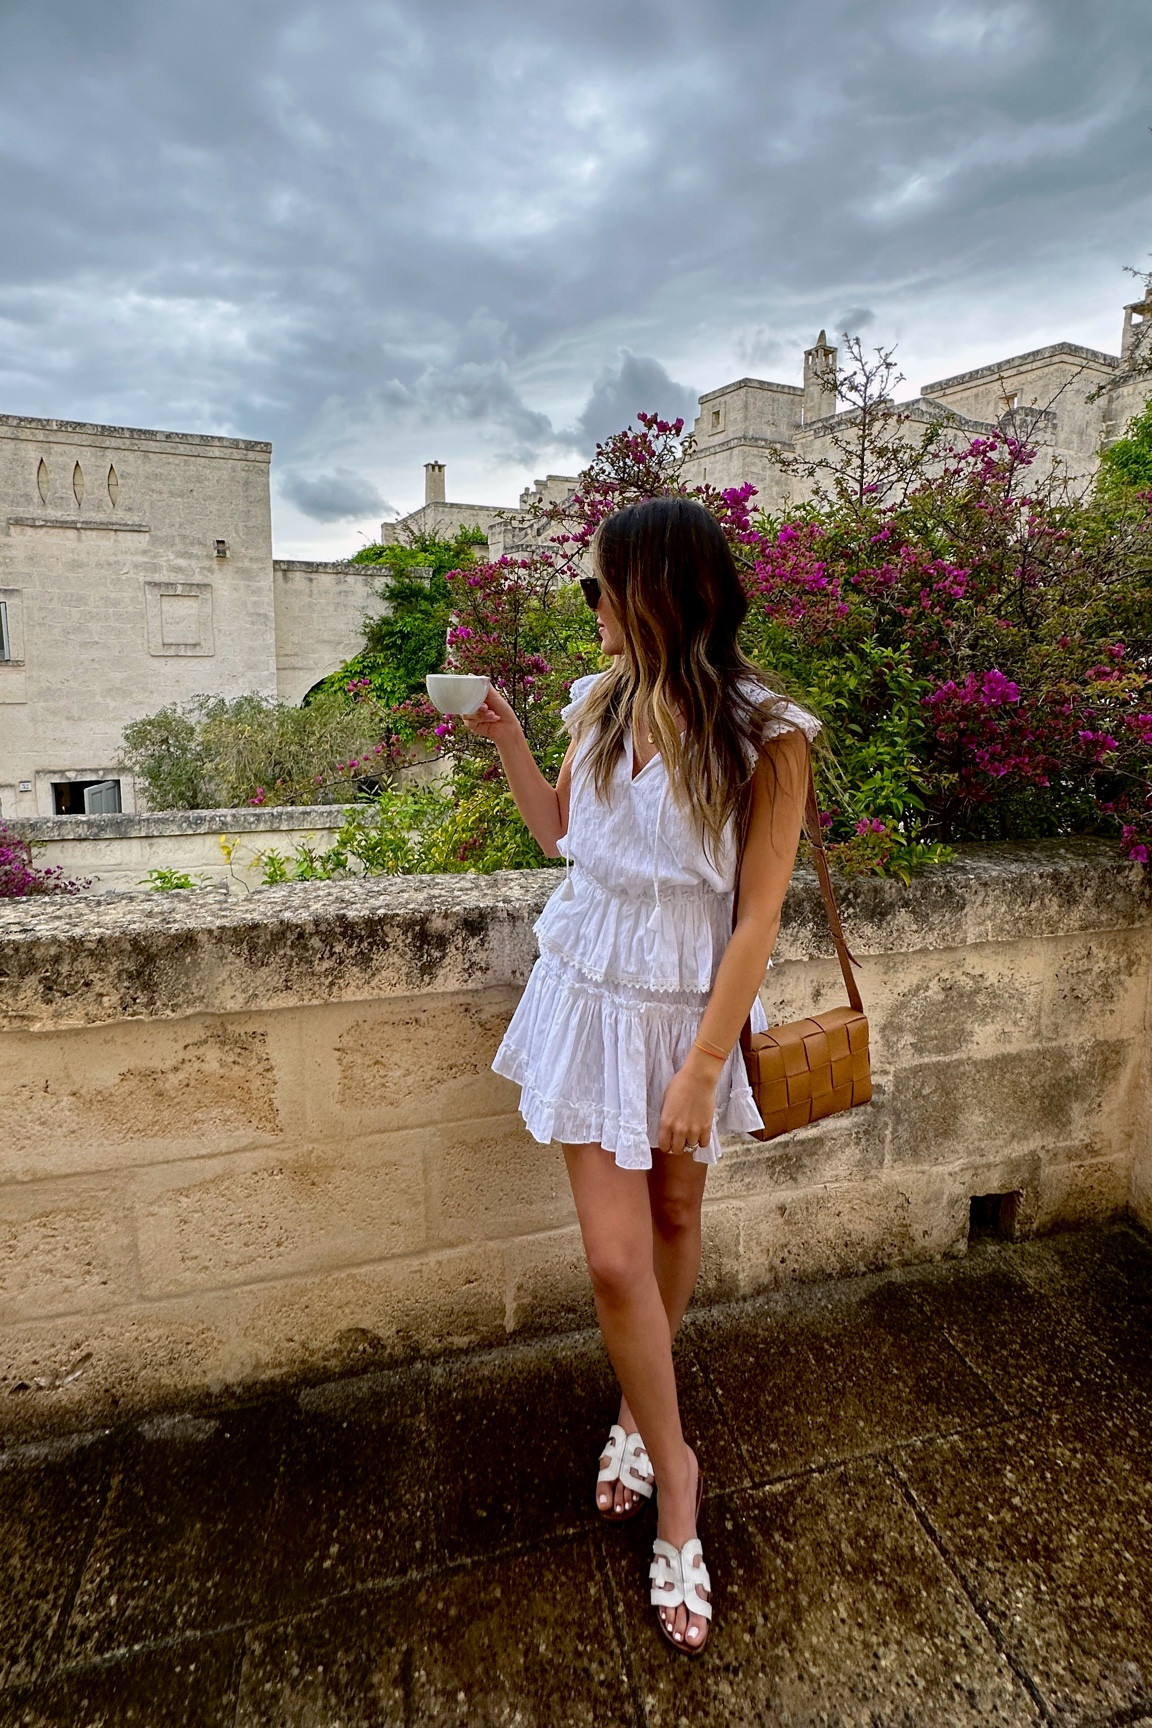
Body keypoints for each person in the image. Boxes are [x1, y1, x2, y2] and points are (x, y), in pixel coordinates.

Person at [461, 496, 819, 1656]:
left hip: (691, 1010)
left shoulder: (766, 732)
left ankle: (636, 1408)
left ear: (661, 592)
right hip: (591, 990)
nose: (591, 606)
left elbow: (758, 914)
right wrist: (514, 737)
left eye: (601, 586)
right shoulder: (598, 705)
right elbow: (562, 833)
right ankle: (680, 1479)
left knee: (672, 1212)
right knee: (616, 1259)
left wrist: (705, 1062)